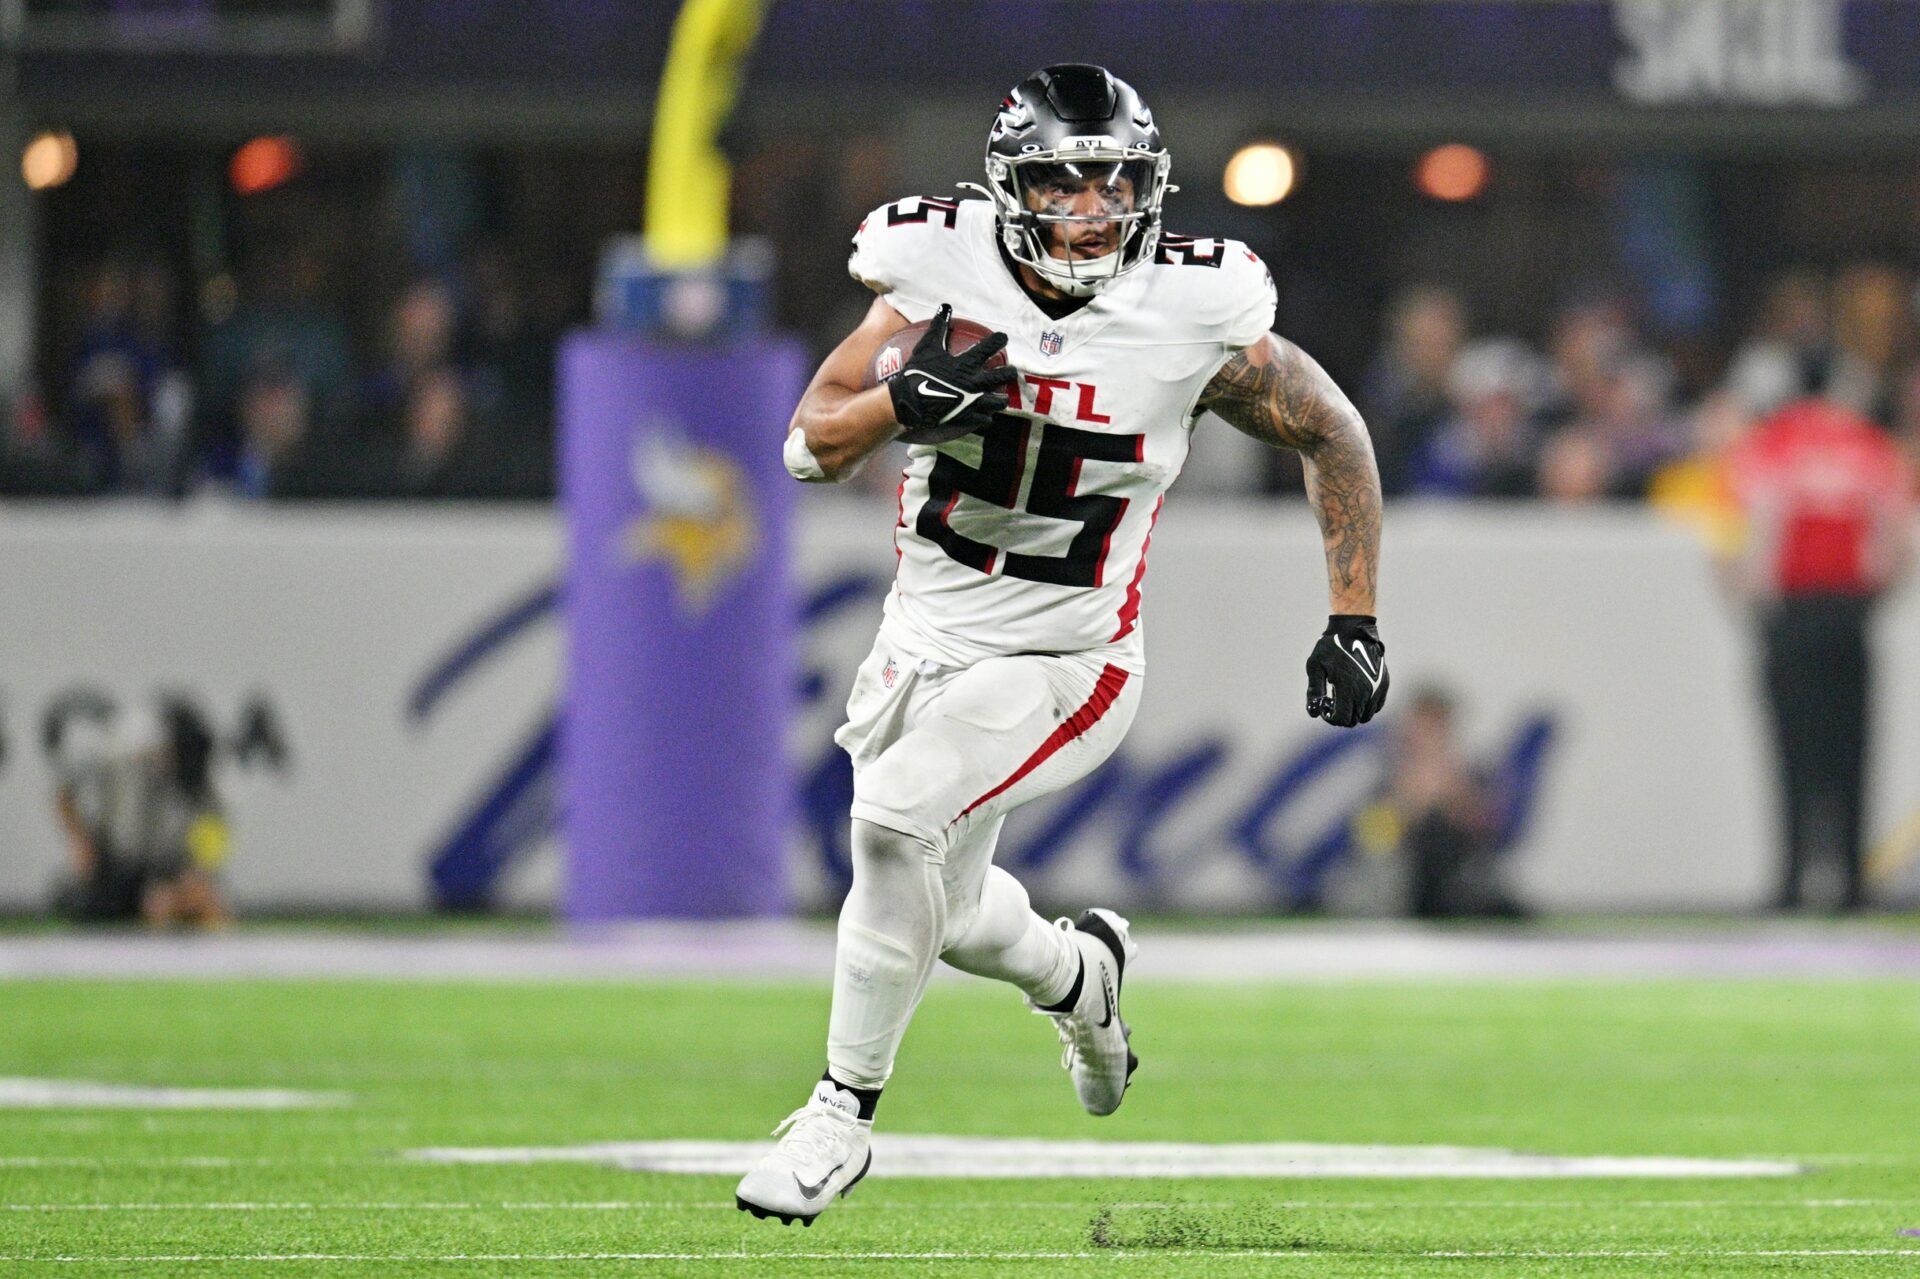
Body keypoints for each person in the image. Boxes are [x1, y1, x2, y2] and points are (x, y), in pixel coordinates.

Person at [739, 64, 1388, 1224]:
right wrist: (902, 404)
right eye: (1062, 183)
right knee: (946, 905)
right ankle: (1080, 975)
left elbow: (1331, 428)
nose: (1092, 210)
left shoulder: (1195, 304)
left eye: (1114, 183)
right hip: (921, 641)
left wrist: (1354, 614)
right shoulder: (936, 267)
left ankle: (839, 1116)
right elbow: (808, 446)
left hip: (1067, 659)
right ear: (1009, 187)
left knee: (891, 822)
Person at [1724, 399, 1912, 910]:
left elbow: (1740, 538)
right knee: (1851, 752)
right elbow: (1895, 540)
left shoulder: (1769, 445)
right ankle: (1850, 883)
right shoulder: (1870, 447)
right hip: (1850, 614)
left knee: (1791, 753)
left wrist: (1754, 601)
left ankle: (1791, 879)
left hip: (1791, 615)